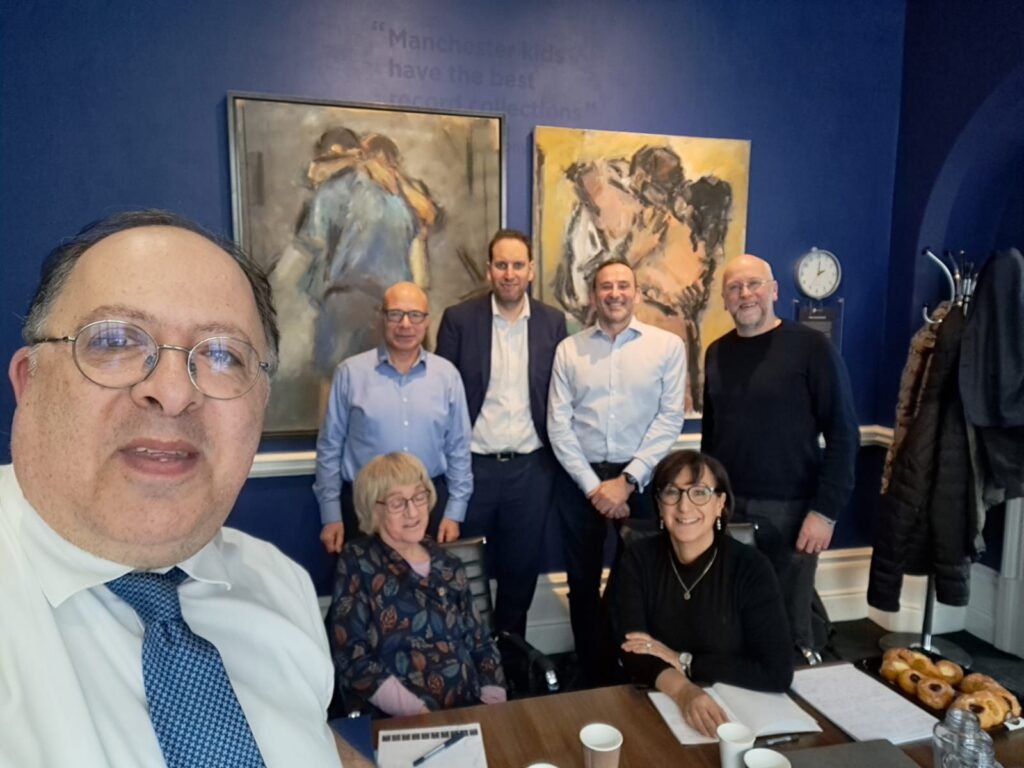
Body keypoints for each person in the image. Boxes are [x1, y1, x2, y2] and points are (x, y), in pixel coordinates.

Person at [0, 210, 366, 767]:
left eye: (222, 355)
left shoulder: (279, 584)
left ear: (259, 408)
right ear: (30, 383)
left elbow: (304, 737)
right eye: (115, 340)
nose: (172, 393)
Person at [701, 254, 859, 662]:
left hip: (792, 510)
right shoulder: (716, 353)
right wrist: (707, 499)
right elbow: (710, 440)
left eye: (754, 284)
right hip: (729, 506)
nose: (745, 294)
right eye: (734, 288)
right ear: (725, 299)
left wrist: (825, 513)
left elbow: (844, 433)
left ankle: (801, 688)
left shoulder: (812, 348)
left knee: (790, 625)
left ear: (773, 290)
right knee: (736, 612)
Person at [547, 258, 686, 682]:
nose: (615, 294)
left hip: (643, 480)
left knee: (640, 580)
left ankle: (635, 666)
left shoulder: (666, 347)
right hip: (580, 480)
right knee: (582, 582)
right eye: (606, 287)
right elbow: (559, 425)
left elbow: (669, 419)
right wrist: (595, 488)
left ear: (637, 293)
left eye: (623, 285)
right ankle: (593, 674)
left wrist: (627, 481)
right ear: (594, 296)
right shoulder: (569, 350)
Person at [436, 229, 567, 641]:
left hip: (531, 471)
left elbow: (562, 393)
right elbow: (443, 396)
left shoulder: (552, 322)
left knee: (519, 573)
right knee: (459, 570)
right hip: (472, 469)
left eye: (518, 265)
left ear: (531, 270)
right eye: (501, 265)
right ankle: (467, 658)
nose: (509, 274)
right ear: (489, 270)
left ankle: (510, 660)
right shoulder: (459, 320)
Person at [612, 450, 793, 738]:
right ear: (659, 504)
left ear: (720, 503)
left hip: (737, 709)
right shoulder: (638, 558)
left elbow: (777, 672)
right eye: (672, 492)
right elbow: (633, 650)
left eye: (700, 493)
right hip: (659, 702)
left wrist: (684, 660)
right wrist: (684, 691)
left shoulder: (751, 567)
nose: (684, 506)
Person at [327, 452, 506, 716]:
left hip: (471, 710)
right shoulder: (359, 562)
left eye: (418, 497)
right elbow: (352, 656)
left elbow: (481, 642)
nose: (412, 512)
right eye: (397, 503)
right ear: (373, 509)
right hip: (403, 719)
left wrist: (492, 705)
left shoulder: (449, 564)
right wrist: (419, 714)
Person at [314, 281, 472, 554]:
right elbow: (330, 447)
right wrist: (331, 515)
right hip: (366, 507)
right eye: (396, 314)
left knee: (427, 580)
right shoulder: (350, 374)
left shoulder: (447, 376)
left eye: (415, 315)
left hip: (428, 506)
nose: (405, 325)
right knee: (366, 580)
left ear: (427, 321)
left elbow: (458, 449)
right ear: (382, 318)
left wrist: (455, 512)